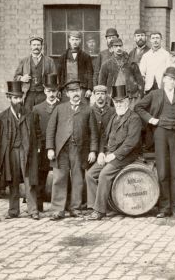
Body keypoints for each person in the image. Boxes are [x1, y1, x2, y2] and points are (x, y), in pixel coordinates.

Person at [135, 67, 175, 217]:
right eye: (169, 79)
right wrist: (151, 119)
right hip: (160, 134)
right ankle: (164, 207)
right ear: (164, 79)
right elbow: (138, 107)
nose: (171, 82)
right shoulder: (155, 94)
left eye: (174, 79)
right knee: (163, 171)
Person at [85, 85, 144, 221]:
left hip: (125, 156)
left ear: (127, 102)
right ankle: (94, 205)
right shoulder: (114, 117)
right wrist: (101, 152)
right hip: (109, 154)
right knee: (90, 175)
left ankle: (99, 211)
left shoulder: (134, 118)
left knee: (104, 174)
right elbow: (104, 137)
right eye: (116, 102)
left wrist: (114, 155)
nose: (119, 104)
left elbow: (131, 143)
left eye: (121, 101)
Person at [46, 80, 98, 220]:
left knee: (78, 179)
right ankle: (58, 210)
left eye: (78, 90)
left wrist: (93, 150)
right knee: (59, 178)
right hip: (61, 149)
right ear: (67, 94)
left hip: (79, 150)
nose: (76, 93)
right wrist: (50, 148)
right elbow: (50, 130)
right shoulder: (59, 108)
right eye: (72, 91)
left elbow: (93, 132)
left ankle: (75, 208)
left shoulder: (88, 109)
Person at [0, 81, 37, 219]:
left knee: (29, 181)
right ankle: (13, 210)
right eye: (15, 98)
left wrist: (37, 150)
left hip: (26, 152)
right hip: (10, 153)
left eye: (20, 97)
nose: (18, 101)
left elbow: (37, 133)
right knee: (13, 181)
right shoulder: (2, 117)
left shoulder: (30, 115)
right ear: (9, 98)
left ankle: (33, 210)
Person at [29, 74, 60, 211]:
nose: (51, 94)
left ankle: (61, 205)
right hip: (42, 149)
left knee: (61, 176)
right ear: (44, 91)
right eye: (48, 91)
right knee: (41, 177)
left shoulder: (63, 107)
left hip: (59, 148)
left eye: (53, 91)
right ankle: (38, 205)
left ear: (57, 90)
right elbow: (34, 130)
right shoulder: (37, 109)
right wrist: (39, 147)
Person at [14, 35, 57, 111]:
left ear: (41, 46)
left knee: (43, 115)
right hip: (28, 94)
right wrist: (22, 78)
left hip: (43, 94)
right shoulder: (24, 61)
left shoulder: (49, 61)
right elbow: (15, 77)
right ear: (30, 46)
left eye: (38, 45)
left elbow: (55, 78)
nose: (36, 47)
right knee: (28, 116)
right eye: (34, 45)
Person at [98, 37, 144, 103]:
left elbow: (140, 81)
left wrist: (139, 96)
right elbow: (101, 84)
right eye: (116, 46)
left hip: (130, 97)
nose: (118, 48)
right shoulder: (106, 65)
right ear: (112, 48)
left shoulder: (131, 63)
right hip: (113, 97)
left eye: (120, 46)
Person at [57, 31, 94, 103]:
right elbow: (59, 74)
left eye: (77, 39)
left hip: (81, 89)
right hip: (66, 88)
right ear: (69, 40)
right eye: (73, 39)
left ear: (80, 40)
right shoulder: (63, 57)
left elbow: (90, 74)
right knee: (65, 109)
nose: (75, 42)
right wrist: (59, 89)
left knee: (83, 110)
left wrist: (89, 89)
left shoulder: (85, 56)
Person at [89, 85, 116, 170]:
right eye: (97, 94)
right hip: (91, 147)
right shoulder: (89, 110)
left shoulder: (113, 111)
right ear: (94, 95)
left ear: (106, 95)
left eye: (102, 94)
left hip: (107, 147)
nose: (100, 96)